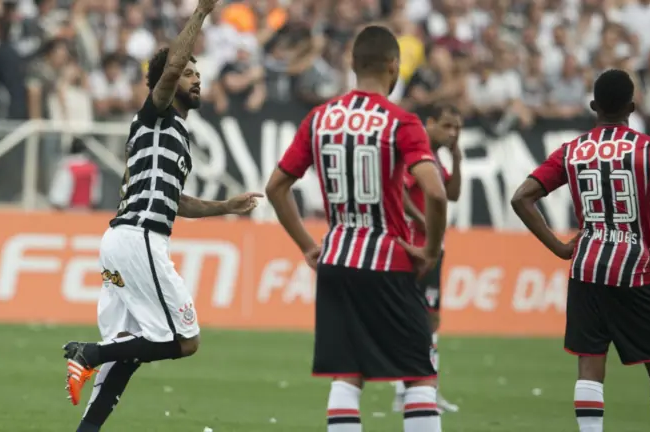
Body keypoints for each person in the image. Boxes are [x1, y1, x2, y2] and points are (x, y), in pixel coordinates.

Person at [60, 1, 263, 431]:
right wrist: (202, 15)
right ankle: (90, 354)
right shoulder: (154, 116)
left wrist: (227, 206)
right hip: (139, 241)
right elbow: (169, 69)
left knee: (129, 352)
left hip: (120, 243)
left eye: (197, 74)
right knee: (184, 341)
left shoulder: (175, 138)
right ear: (164, 82)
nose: (196, 79)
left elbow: (179, 202)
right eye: (190, 73)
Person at [265, 25, 449, 432]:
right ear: (393, 65)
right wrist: (432, 250)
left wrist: (307, 245)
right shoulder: (402, 122)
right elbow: (435, 193)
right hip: (388, 259)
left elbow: (276, 187)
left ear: (351, 64)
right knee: (419, 374)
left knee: (347, 375)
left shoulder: (319, 118)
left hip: (337, 258)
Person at [511, 68, 650, 432]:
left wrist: (558, 247)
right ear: (632, 106)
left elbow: (522, 198)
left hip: (587, 268)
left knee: (590, 363)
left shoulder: (572, 150)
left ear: (592, 106)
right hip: (636, 268)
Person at [393, 103, 462, 415]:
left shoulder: (435, 157)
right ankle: (412, 390)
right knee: (420, 320)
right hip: (416, 248)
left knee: (428, 320)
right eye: (447, 126)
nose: (452, 133)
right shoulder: (416, 154)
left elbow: (453, 193)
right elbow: (401, 191)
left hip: (434, 247)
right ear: (429, 122)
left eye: (456, 128)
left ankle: (418, 389)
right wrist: (423, 220)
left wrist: (457, 158)